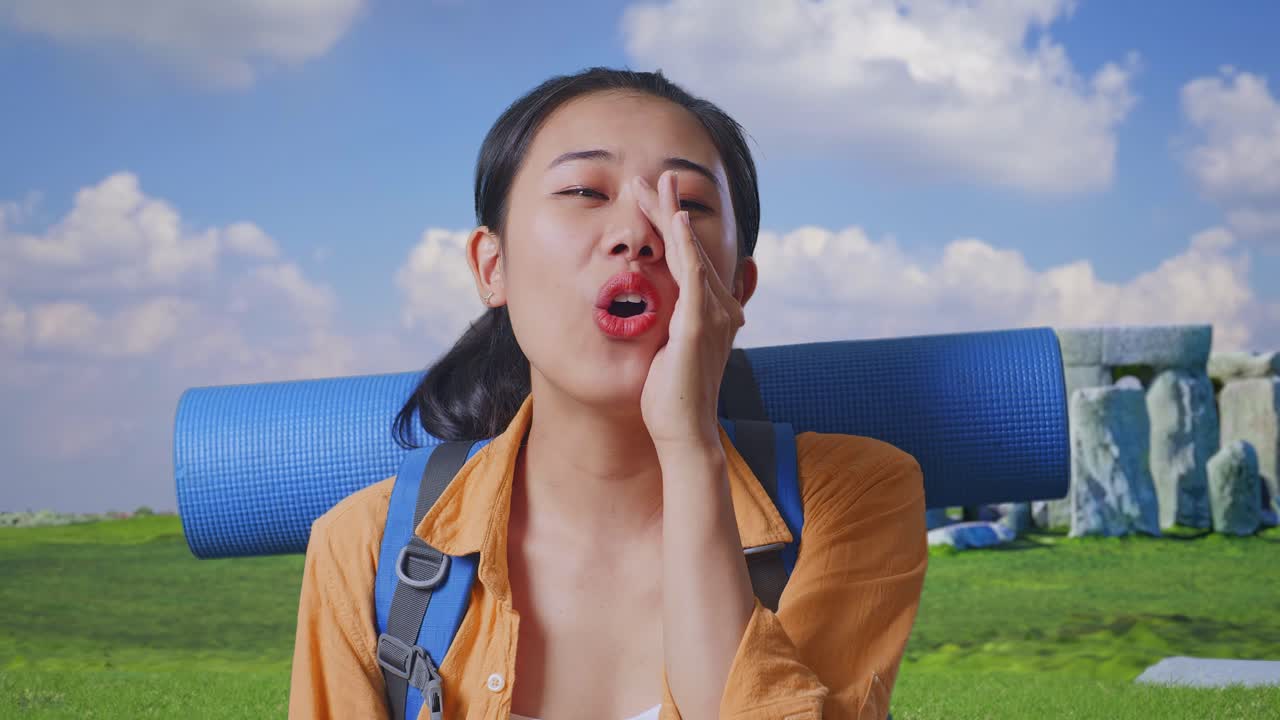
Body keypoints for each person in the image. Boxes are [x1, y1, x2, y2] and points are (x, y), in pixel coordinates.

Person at [288, 66, 927, 720]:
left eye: (689, 205)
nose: (639, 234)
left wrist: (690, 448)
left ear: (736, 287)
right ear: (492, 266)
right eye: (584, 191)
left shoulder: (854, 495)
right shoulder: (363, 547)